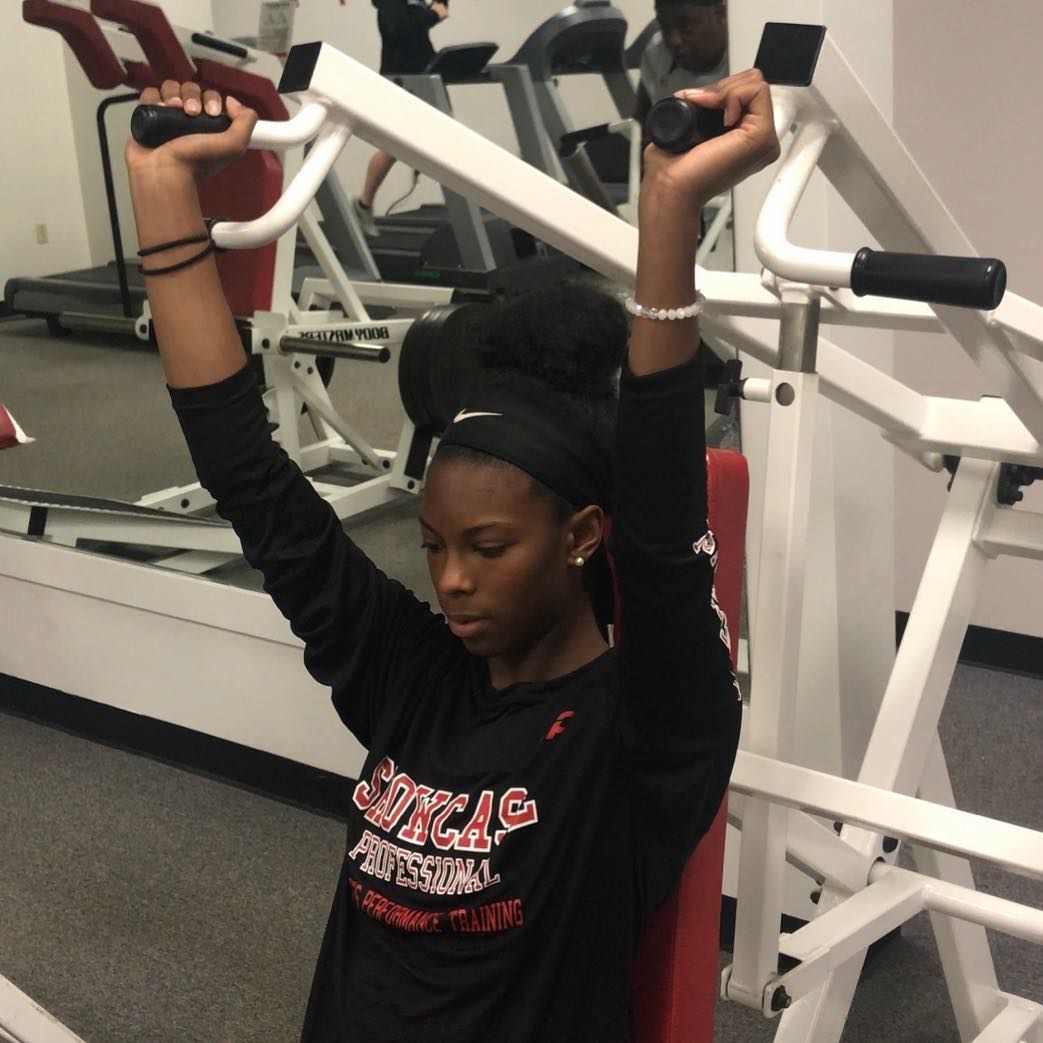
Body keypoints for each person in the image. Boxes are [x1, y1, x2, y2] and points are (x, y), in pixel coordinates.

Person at [124, 68, 778, 1042]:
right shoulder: (411, 673)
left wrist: (669, 211)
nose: (450, 577)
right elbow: (248, 476)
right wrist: (162, 190)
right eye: (432, 544)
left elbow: (660, 533)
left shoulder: (645, 727)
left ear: (581, 534)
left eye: (486, 546)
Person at [353, 0, 450, 235]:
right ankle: (364, 203)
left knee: (443, 139)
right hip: (401, 78)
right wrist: (433, 15)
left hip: (426, 73)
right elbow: (400, 29)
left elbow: (435, 11)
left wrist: (437, 9)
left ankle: (363, 204)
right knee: (392, 148)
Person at [634, 0, 729, 125]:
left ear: (720, 13)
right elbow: (641, 123)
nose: (675, 41)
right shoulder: (655, 55)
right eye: (665, 28)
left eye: (686, 28)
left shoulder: (749, 51)